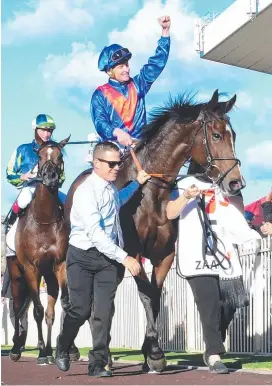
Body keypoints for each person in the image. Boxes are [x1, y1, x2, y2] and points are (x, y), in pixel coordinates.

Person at [55, 141, 150, 377]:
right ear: (96, 163)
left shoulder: (109, 189)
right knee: (79, 309)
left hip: (107, 261)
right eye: (111, 163)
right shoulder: (86, 193)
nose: (117, 167)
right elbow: (96, 236)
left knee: (104, 313)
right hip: (82, 257)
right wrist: (125, 257)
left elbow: (119, 200)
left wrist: (137, 183)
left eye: (119, 162)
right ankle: (63, 345)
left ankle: (97, 364)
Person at [166, 176, 261, 374]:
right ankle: (214, 353)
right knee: (209, 304)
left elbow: (236, 211)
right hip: (196, 256)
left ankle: (215, 340)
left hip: (224, 254)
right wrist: (185, 196)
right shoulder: (182, 182)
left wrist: (232, 191)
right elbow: (170, 212)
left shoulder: (223, 183)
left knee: (230, 306)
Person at [90, 16, 171, 147]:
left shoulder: (139, 84)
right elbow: (100, 122)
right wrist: (116, 132)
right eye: (121, 66)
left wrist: (165, 33)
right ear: (110, 71)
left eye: (127, 65)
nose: (126, 69)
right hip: (114, 148)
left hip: (140, 147)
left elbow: (157, 64)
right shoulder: (100, 94)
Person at [4, 114, 65, 233]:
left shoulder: (55, 150)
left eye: (49, 131)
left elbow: (62, 175)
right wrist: (23, 176)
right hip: (31, 186)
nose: (47, 134)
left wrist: (56, 180)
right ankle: (9, 227)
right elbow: (9, 174)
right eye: (43, 130)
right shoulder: (23, 149)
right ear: (35, 129)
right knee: (24, 199)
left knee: (69, 201)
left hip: (51, 189)